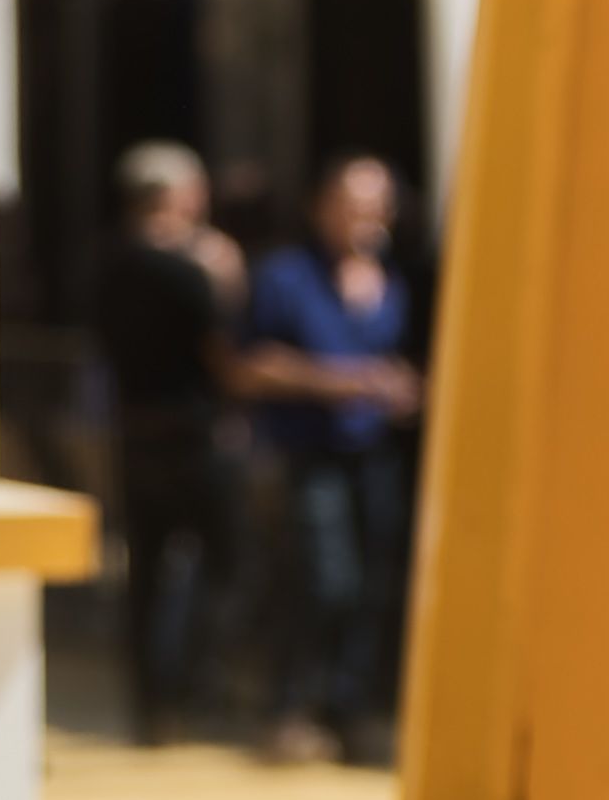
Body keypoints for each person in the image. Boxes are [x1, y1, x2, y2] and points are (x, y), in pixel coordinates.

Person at [237, 156, 423, 764]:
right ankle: (291, 707)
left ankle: (349, 711)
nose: (364, 216)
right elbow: (251, 365)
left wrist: (400, 388)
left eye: (376, 205)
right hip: (307, 450)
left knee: (373, 582)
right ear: (322, 207)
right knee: (324, 577)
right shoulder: (286, 277)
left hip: (374, 452)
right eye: (351, 202)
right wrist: (345, 382)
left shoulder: (397, 282)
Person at [94, 141, 246, 744]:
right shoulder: (193, 269)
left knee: (147, 573)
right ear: (179, 197)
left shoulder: (107, 265)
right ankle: (198, 687)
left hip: (134, 431)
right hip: (195, 433)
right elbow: (224, 351)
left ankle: (151, 704)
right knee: (223, 565)